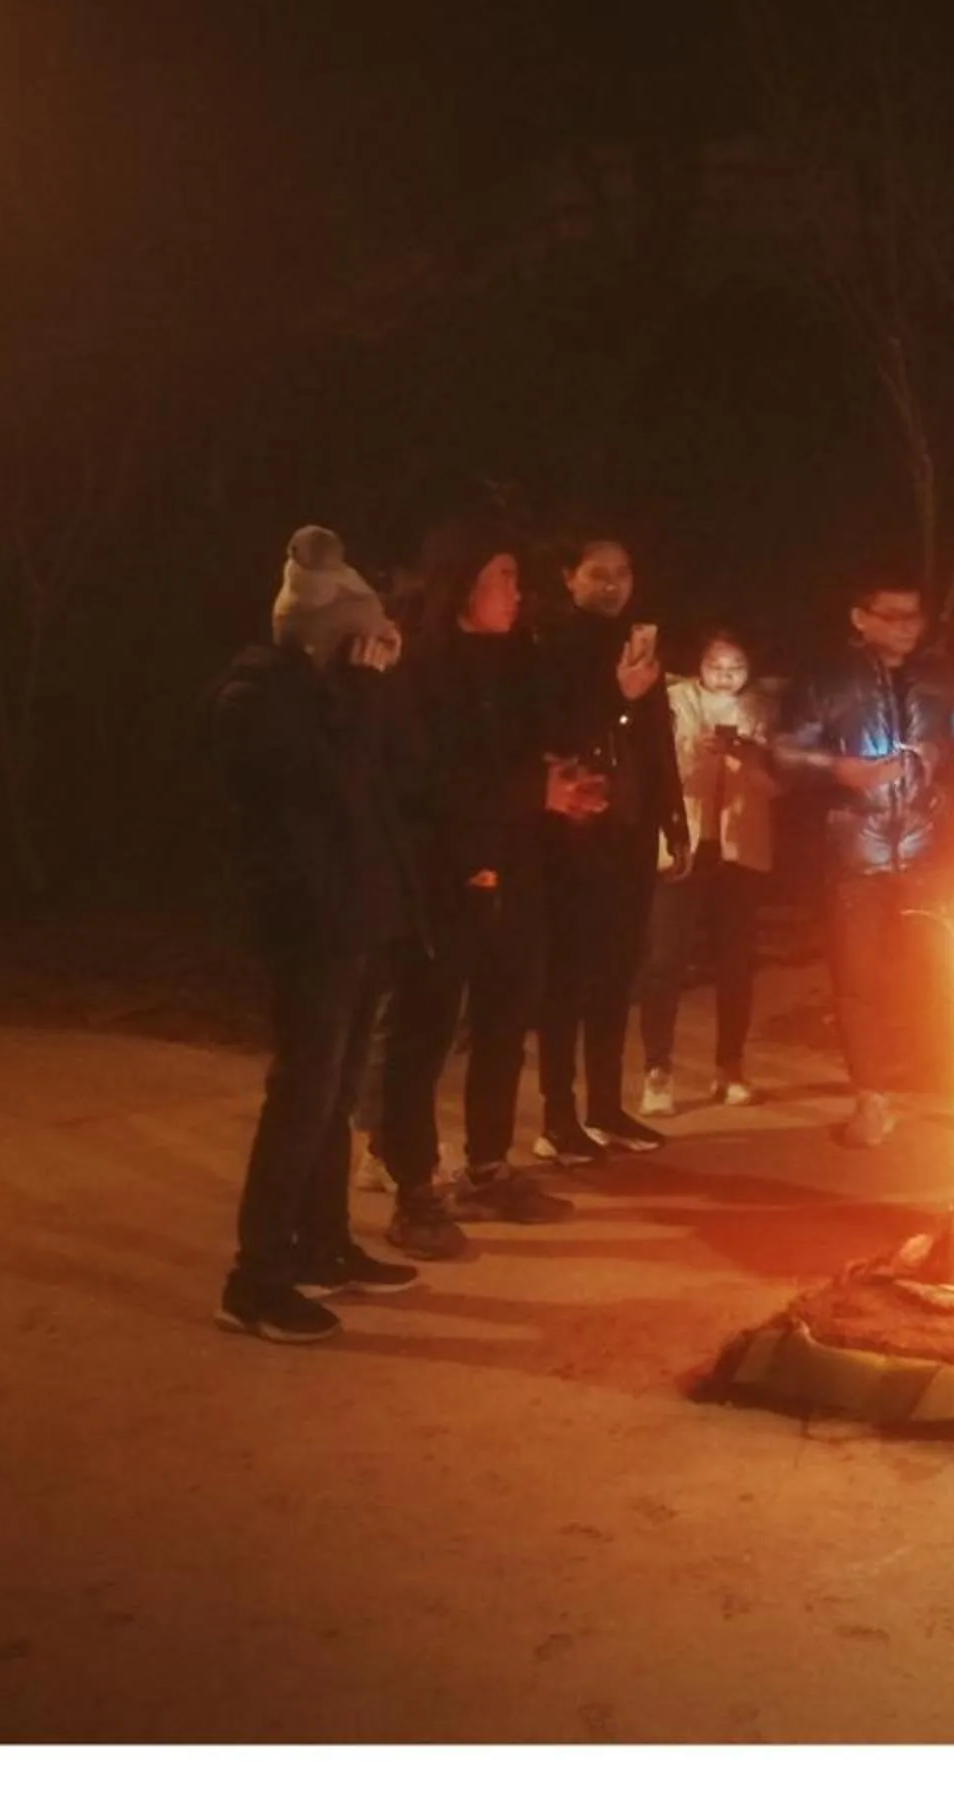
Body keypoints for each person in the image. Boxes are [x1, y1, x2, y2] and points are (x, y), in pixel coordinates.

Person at [201, 525, 426, 1342]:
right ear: (331, 634)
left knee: (331, 1097)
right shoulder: (255, 699)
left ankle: (323, 1246)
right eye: (366, 632)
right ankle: (253, 1281)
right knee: (301, 1096)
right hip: (310, 924)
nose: (379, 646)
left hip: (358, 917)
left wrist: (379, 690)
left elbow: (393, 776)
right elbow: (324, 797)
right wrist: (363, 698)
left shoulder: (334, 695)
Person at [377, 517, 600, 1253]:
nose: (515, 590)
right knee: (427, 1030)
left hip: (517, 869)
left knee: (508, 1019)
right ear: (464, 584)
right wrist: (524, 790)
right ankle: (413, 1189)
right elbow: (429, 783)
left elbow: (534, 747)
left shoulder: (515, 661)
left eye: (514, 575)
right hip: (445, 874)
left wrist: (564, 787)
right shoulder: (422, 669)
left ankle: (488, 1166)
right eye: (501, 575)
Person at [771, 570, 954, 1148]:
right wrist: (837, 770)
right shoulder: (825, 678)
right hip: (853, 850)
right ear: (860, 618)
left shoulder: (939, 674)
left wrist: (943, 751)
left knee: (946, 972)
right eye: (892, 615)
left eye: (914, 615)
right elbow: (785, 749)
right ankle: (872, 1100)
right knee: (857, 981)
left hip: (927, 850)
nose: (906, 627)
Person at [530, 531, 683, 1162]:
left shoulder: (637, 644)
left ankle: (605, 1106)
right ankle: (557, 1118)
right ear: (569, 577)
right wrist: (615, 698)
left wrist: (673, 816)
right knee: (568, 974)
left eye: (622, 571)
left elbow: (657, 739)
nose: (612, 584)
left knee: (618, 972)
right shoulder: (552, 644)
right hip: (574, 835)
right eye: (597, 573)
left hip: (629, 828)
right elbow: (548, 731)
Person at [638, 629, 778, 1114]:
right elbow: (658, 769)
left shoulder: (761, 707)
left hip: (739, 847)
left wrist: (747, 757)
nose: (726, 675)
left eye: (735, 666)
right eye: (716, 664)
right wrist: (695, 751)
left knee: (736, 963)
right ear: (699, 664)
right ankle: (657, 1070)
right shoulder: (677, 700)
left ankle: (730, 1068)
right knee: (665, 962)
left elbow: (776, 781)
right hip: (685, 844)